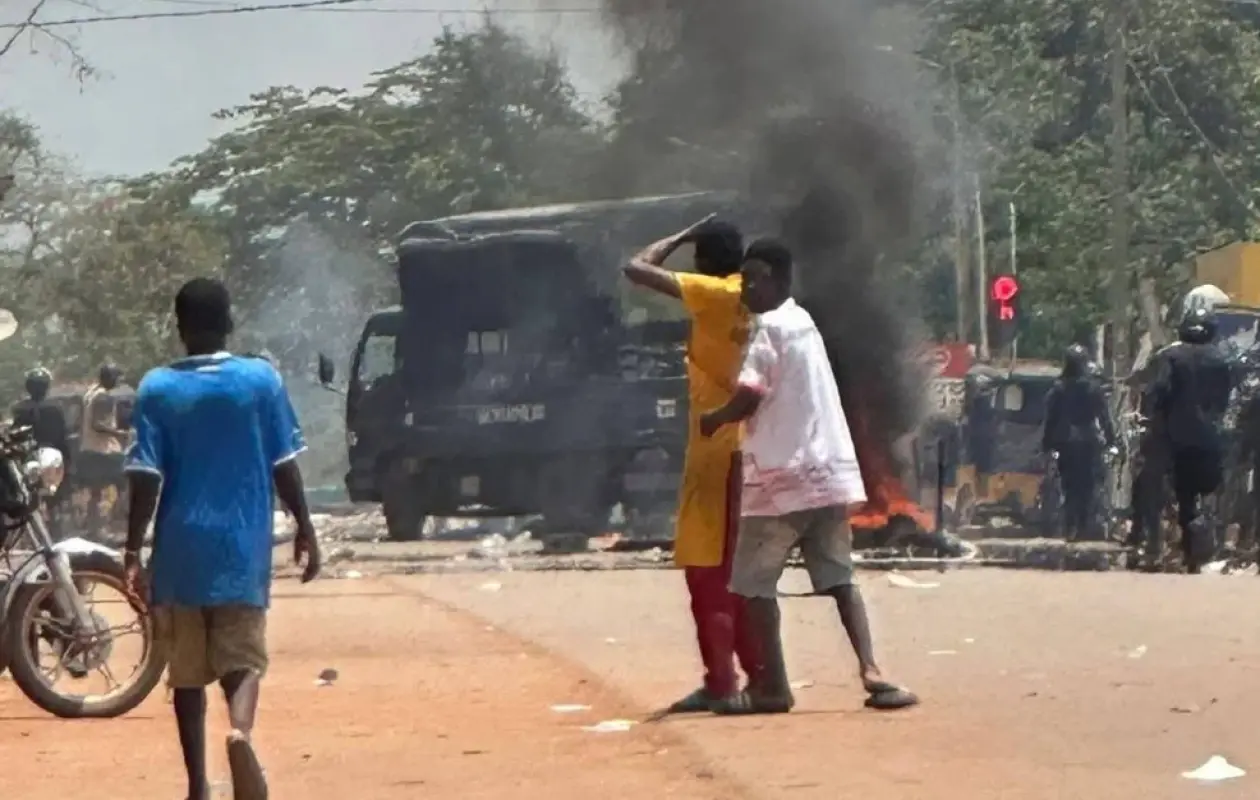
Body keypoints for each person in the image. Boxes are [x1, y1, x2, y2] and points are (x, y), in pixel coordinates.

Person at [123, 278, 322, 800]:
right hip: (241, 546)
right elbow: (284, 464)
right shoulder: (260, 381)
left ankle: (196, 787)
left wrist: (131, 551)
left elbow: (145, 475)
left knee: (186, 675)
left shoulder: (157, 389)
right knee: (244, 660)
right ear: (230, 323)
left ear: (179, 327)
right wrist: (305, 525)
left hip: (180, 548)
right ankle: (240, 731)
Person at [700, 238, 918, 712]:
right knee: (840, 578)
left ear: (780, 281)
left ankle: (773, 687)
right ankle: (872, 671)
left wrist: (715, 419)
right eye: (744, 279)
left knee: (754, 587)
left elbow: (749, 396)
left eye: (757, 278)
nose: (747, 289)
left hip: (779, 481)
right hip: (829, 477)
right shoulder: (805, 324)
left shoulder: (769, 331)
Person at [622, 215, 764, 714]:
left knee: (709, 575)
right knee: (738, 575)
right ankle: (751, 678)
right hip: (749, 451)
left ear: (703, 261)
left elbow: (635, 267)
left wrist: (676, 235)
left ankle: (725, 684)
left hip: (717, 452)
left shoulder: (715, 293)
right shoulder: (756, 297)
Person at [1140, 307, 1231, 573]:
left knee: (1158, 488)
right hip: (1211, 440)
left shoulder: (1170, 357)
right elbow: (1224, 400)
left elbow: (1158, 391)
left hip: (1175, 439)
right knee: (1209, 492)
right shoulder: (1220, 360)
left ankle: (1153, 546)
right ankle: (1202, 544)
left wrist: (1152, 415)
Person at [1042, 344, 1117, 541]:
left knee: (1069, 485)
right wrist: (1112, 440)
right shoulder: (1093, 387)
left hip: (1066, 442)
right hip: (1088, 441)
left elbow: (1050, 419)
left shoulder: (1058, 389)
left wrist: (1047, 444)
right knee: (1087, 485)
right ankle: (1082, 526)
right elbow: (1105, 417)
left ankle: (1071, 526)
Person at [12, 367, 71, 534]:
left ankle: (31, 531)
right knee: (56, 496)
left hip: (28, 457)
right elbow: (62, 436)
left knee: (28, 494)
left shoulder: (19, 408)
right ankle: (55, 530)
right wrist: (68, 460)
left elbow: (15, 436)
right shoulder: (56, 407)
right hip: (52, 455)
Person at [79, 363, 129, 535]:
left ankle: (94, 529)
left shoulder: (91, 393)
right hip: (104, 450)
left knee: (96, 492)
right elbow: (98, 424)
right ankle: (117, 525)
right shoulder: (104, 397)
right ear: (109, 378)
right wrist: (120, 433)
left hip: (89, 448)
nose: (117, 381)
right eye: (116, 377)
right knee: (127, 483)